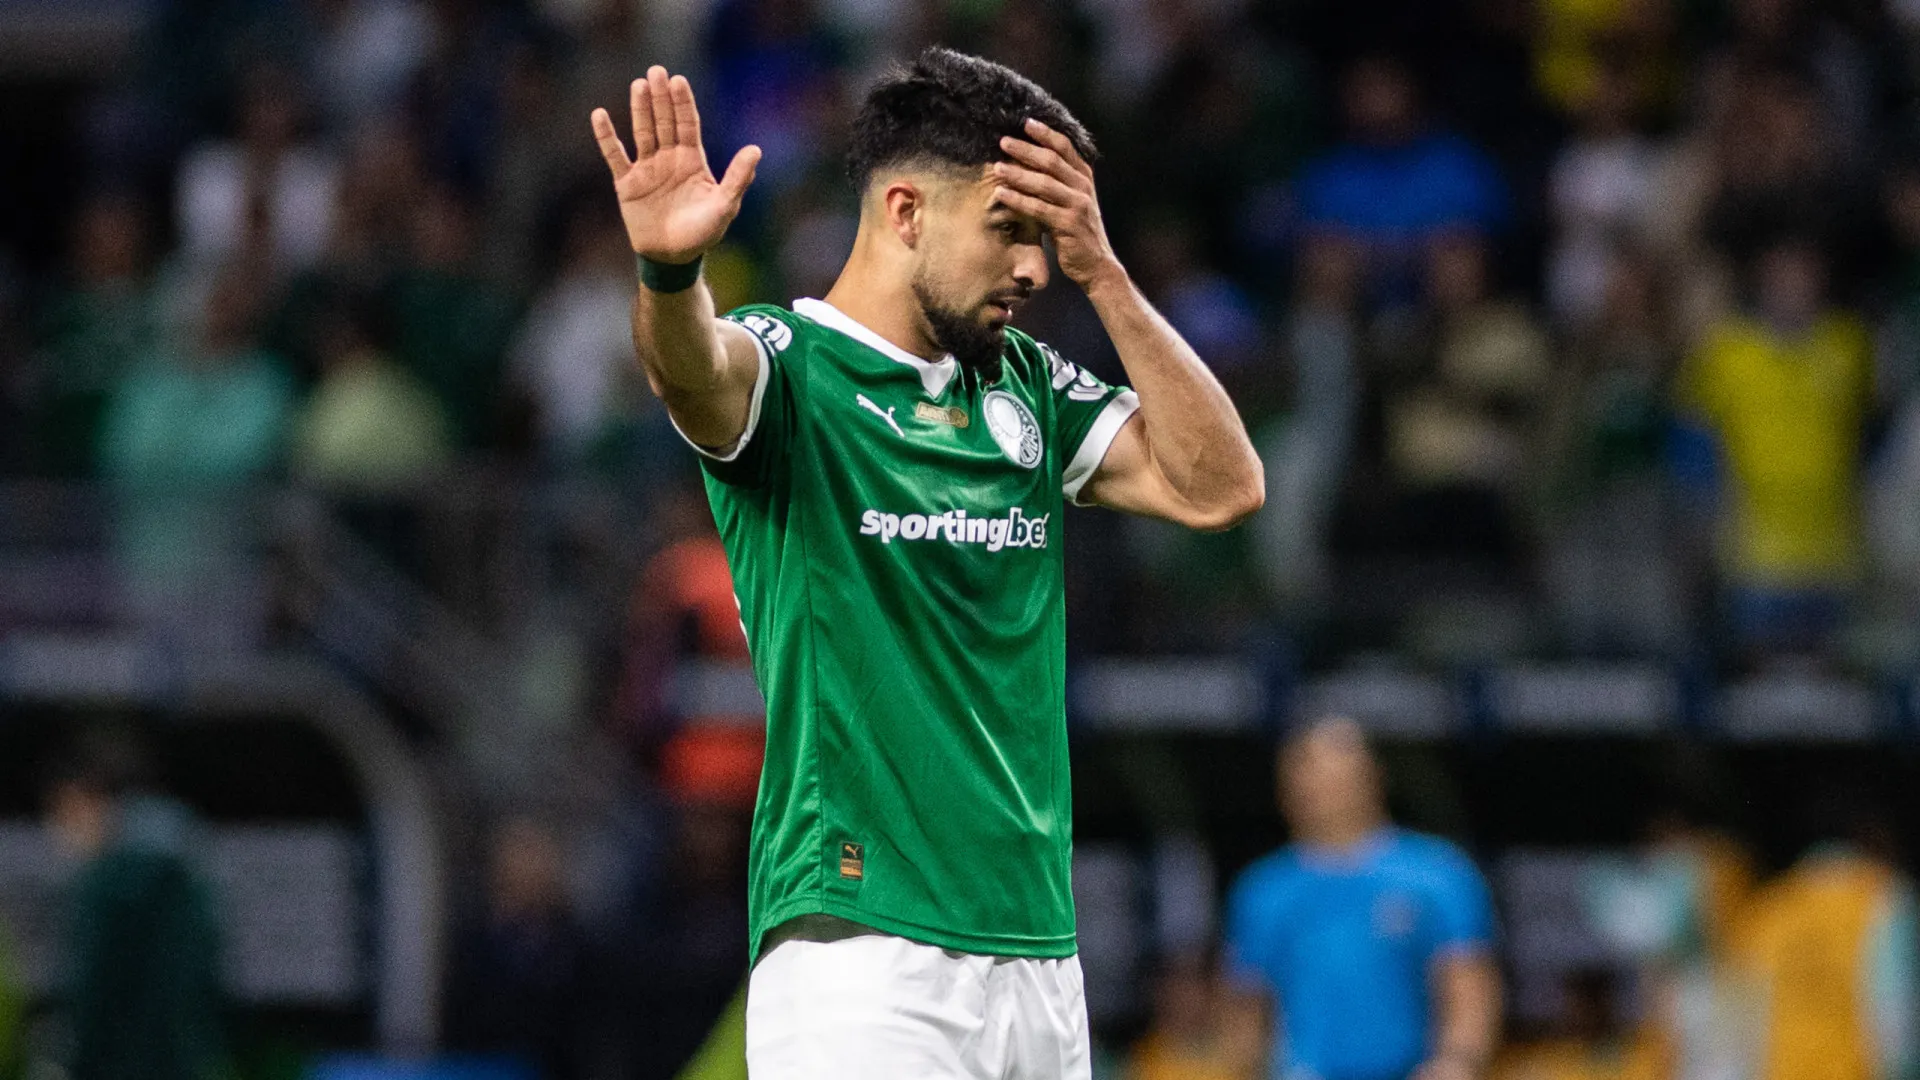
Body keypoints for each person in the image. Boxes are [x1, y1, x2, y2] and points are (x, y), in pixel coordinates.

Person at [588, 46, 1264, 1079]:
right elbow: (694, 373)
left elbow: (1220, 487)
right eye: (1009, 230)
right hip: (863, 950)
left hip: (1040, 957)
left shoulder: (1027, 384)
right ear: (905, 212)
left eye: (1049, 238)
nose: (1035, 270)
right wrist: (673, 275)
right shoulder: (794, 368)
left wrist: (1108, 274)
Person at [1225, 717, 1502, 1080]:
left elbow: (1467, 981)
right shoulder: (1264, 890)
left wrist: (1457, 1062)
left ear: (1371, 779)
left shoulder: (1436, 875)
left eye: (1332, 779)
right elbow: (1248, 1004)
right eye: (1302, 778)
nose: (1315, 791)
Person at [42, 734, 226, 1080]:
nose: (60, 831)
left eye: (62, 812)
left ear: (87, 798)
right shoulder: (188, 867)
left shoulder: (105, 885)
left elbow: (91, 998)